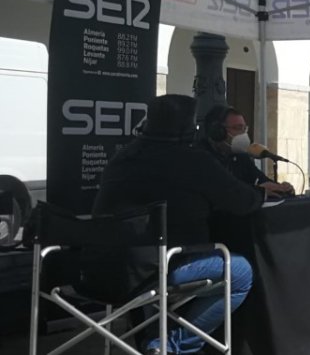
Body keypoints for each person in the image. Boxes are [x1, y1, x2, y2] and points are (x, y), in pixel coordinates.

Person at [91, 94, 264, 355]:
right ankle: (171, 346)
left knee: (148, 261)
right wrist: (260, 193)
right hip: (155, 270)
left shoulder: (122, 157)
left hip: (100, 267)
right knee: (240, 272)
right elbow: (244, 202)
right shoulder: (193, 160)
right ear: (189, 129)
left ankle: (152, 341)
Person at [197, 105, 294, 196]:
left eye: (244, 129)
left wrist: (281, 188)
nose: (243, 134)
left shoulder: (241, 157)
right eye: (237, 128)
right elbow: (222, 193)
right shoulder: (201, 158)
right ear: (217, 132)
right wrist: (258, 190)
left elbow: (261, 180)